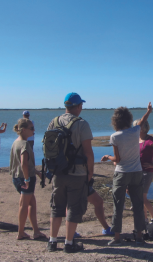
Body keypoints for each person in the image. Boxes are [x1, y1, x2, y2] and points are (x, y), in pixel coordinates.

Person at [46, 92, 93, 253]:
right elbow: (88, 152)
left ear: (66, 106)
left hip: (57, 172)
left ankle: (52, 242)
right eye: (81, 105)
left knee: (56, 206)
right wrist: (90, 173)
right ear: (78, 106)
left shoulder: (54, 122)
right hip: (77, 173)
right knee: (73, 207)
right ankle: (68, 243)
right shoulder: (82, 124)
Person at [100, 102, 152, 246]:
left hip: (122, 173)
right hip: (136, 172)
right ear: (128, 119)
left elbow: (117, 159)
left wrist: (107, 157)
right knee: (138, 204)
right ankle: (140, 236)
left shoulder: (114, 136)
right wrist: (148, 111)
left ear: (115, 121)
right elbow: (143, 120)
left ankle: (117, 238)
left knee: (118, 205)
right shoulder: (135, 131)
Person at [9, 118, 45, 240]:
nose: (34, 131)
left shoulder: (16, 142)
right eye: (31, 128)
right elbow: (24, 164)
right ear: (23, 130)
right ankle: (21, 233)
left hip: (17, 177)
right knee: (24, 205)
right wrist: (27, 179)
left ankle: (36, 231)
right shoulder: (24, 144)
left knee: (32, 203)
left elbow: (23, 164)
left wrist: (37, 172)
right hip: (24, 179)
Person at [132, 119, 153, 223]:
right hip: (137, 171)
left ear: (142, 128)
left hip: (147, 171)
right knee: (138, 195)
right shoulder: (135, 139)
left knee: (142, 196)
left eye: (136, 126)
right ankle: (145, 218)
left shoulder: (150, 139)